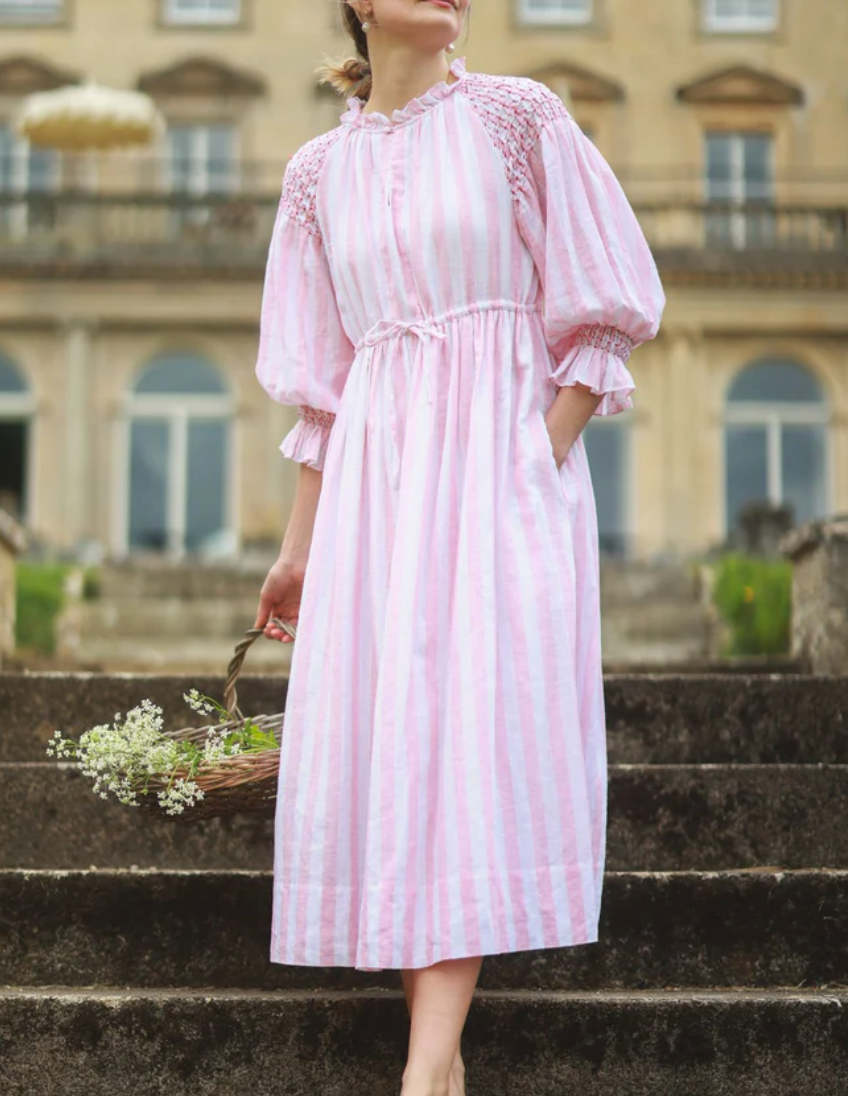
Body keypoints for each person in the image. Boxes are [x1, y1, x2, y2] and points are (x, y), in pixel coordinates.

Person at [253, 2, 665, 1093]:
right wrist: (297, 549)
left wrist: (541, 448)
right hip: (373, 486)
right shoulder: (313, 176)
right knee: (399, 742)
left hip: (498, 466)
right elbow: (321, 389)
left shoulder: (517, 117)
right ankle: (437, 1066)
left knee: (473, 733)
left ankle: (423, 1068)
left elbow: (605, 298)